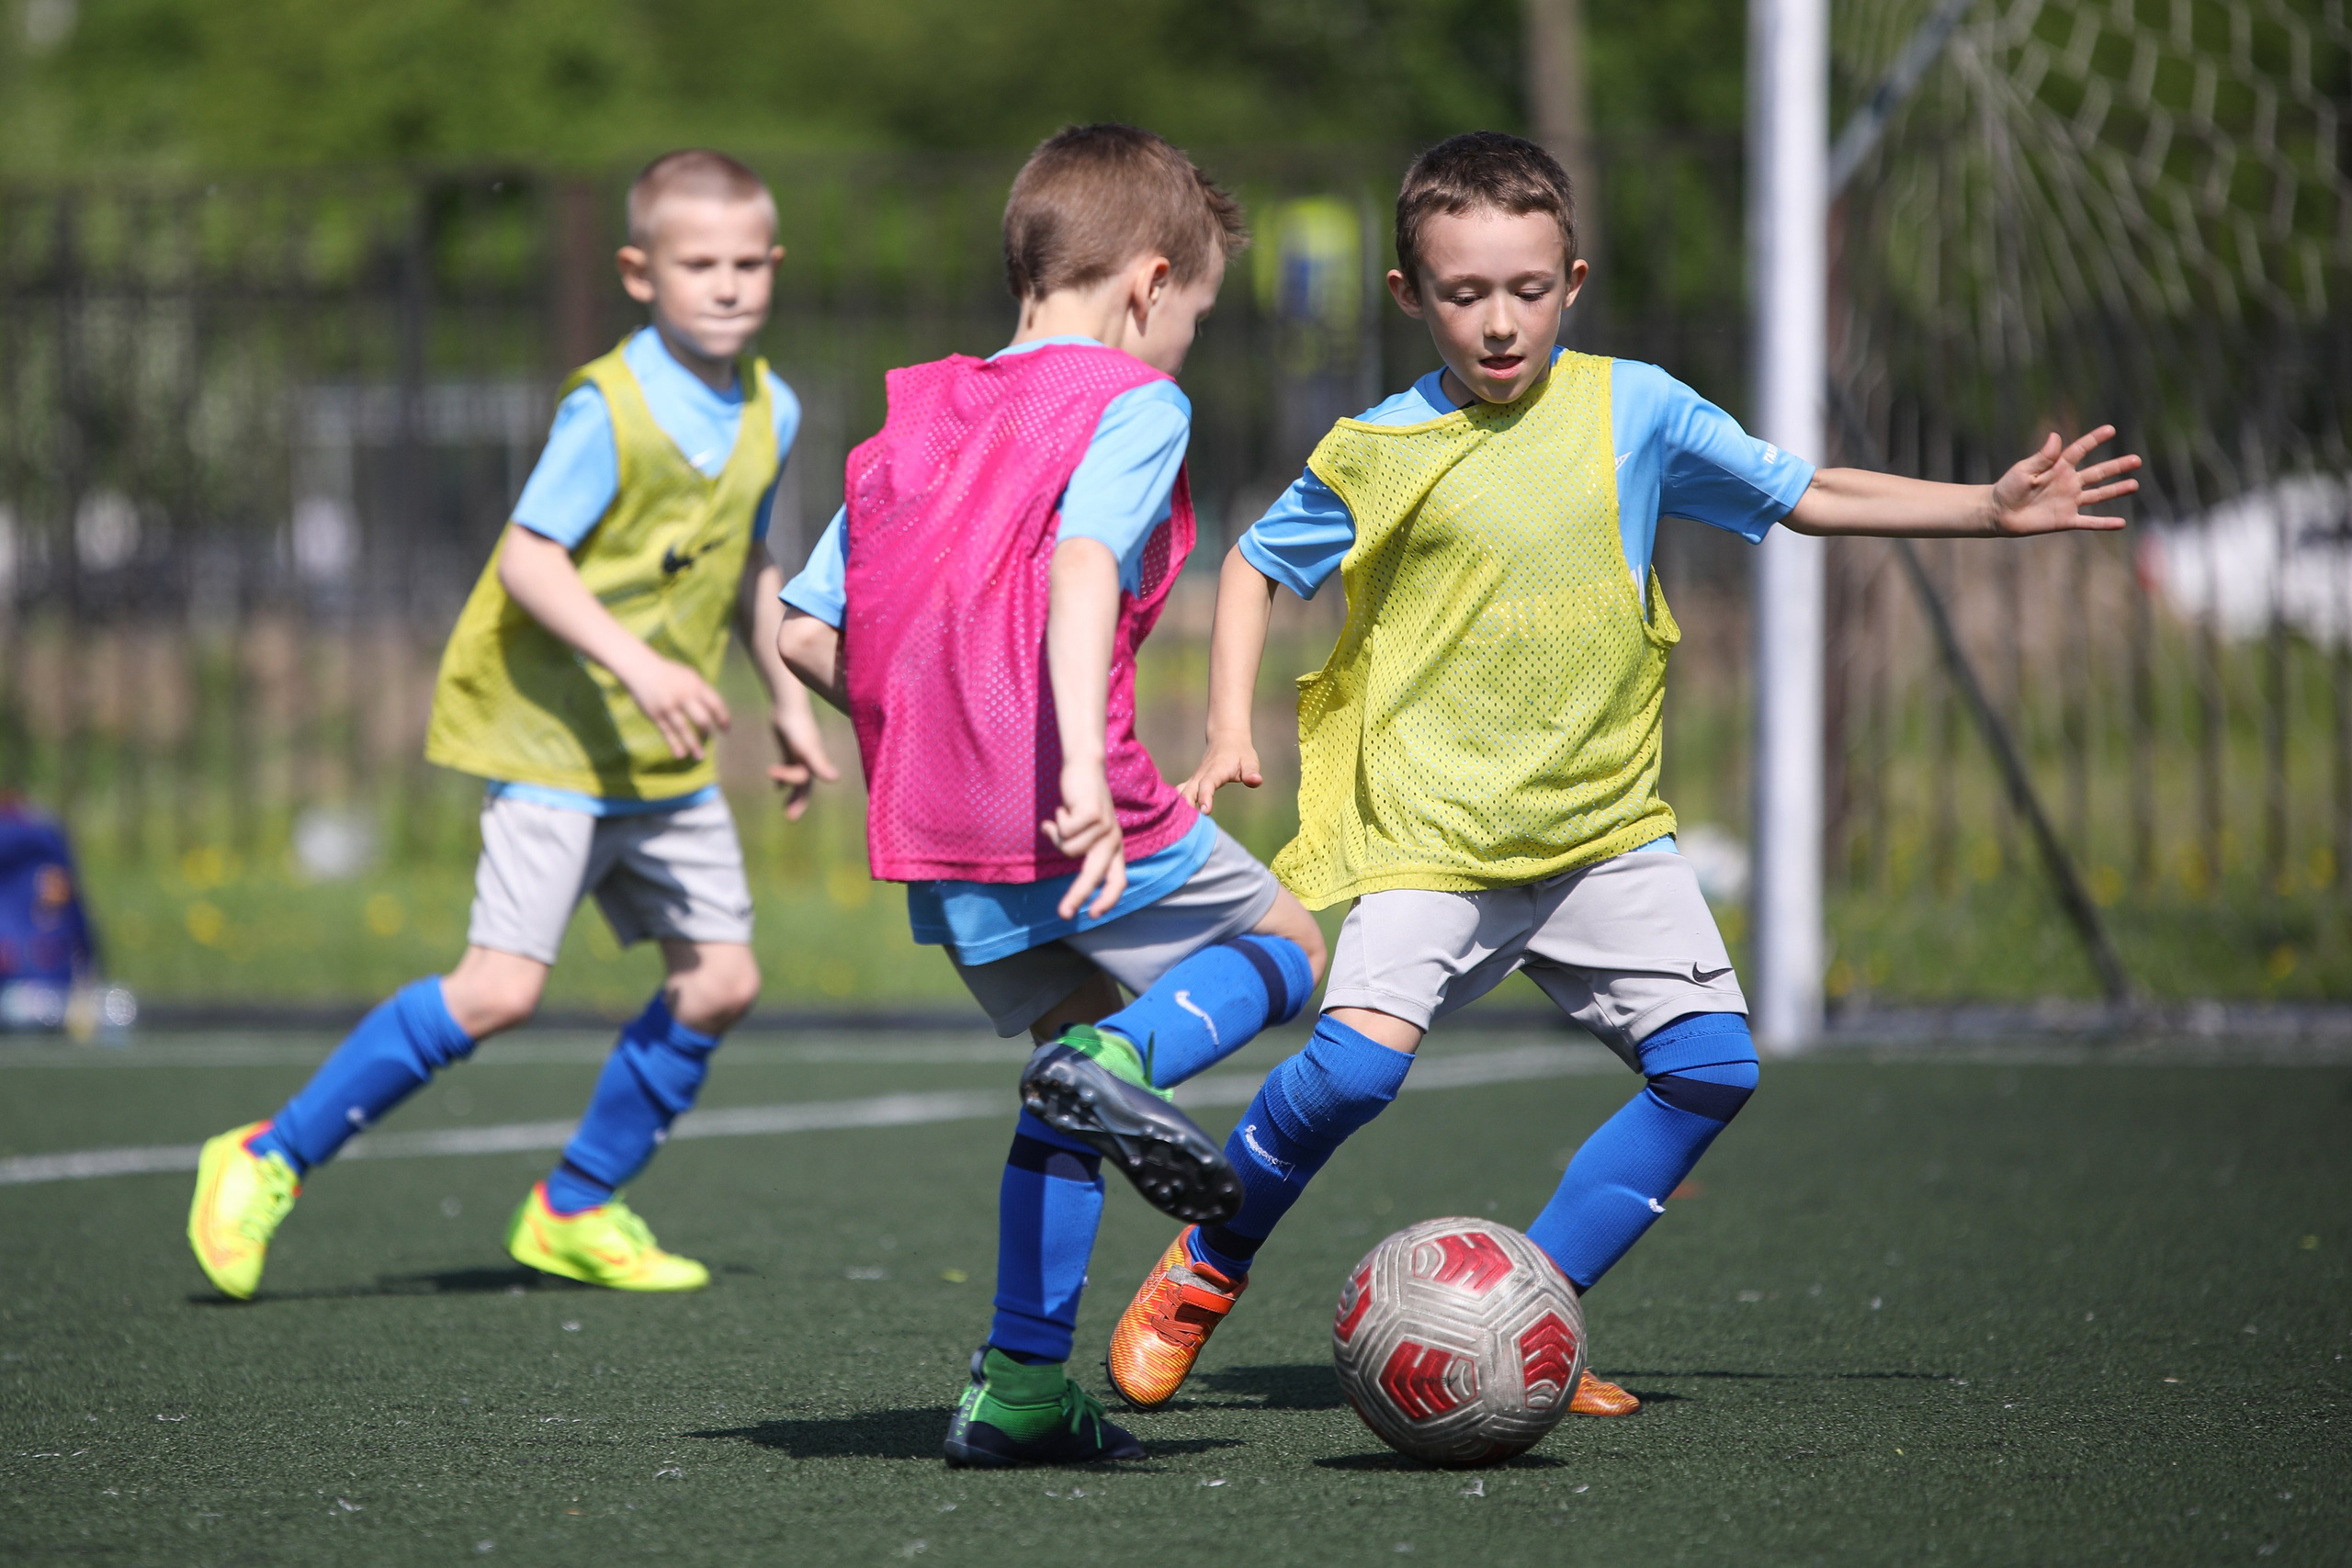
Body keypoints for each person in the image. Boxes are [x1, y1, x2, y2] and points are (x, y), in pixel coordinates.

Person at [1104, 130, 2143, 1416]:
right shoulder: (1378, 447)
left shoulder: (1634, 409)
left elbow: (1801, 491)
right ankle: (1207, 1265)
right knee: (1356, 1072)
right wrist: (1227, 728)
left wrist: (1984, 507)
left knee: (1711, 1069)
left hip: (1600, 831)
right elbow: (1258, 563)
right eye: (1465, 294)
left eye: (1528, 289)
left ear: (1574, 281)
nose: (1500, 322)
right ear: (1409, 296)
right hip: (1435, 833)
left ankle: (1527, 1312)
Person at [187, 149, 837, 1302]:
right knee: (498, 991)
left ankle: (574, 1207)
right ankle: (265, 1156)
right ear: (639, 273)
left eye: (748, 264)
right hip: (554, 744)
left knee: (722, 982)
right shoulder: (609, 406)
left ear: (775, 265)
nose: (728, 285)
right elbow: (528, 561)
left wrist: (787, 698)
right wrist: (641, 665)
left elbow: (745, 559)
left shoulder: (770, 407)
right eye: (698, 264)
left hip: (662, 761)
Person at [776, 124, 1327, 1469]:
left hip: (937, 831)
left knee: (1059, 1078)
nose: (1185, 342)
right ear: (1150, 284)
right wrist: (1075, 762)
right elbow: (1084, 564)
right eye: (1195, 317)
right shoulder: (1131, 402)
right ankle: (1125, 1065)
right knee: (1291, 948)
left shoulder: (915, 417)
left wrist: (931, 724)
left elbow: (802, 631)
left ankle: (1021, 1389)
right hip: (1069, 799)